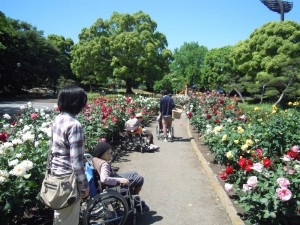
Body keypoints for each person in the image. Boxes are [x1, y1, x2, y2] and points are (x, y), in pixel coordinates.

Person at [50, 85, 90, 225]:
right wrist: (84, 185)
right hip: (68, 179)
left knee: (60, 215)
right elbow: (76, 162)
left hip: (55, 174)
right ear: (76, 103)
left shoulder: (57, 119)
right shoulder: (74, 125)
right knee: (68, 219)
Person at [92, 141, 150, 212]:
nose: (110, 155)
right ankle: (133, 200)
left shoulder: (95, 159)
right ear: (101, 155)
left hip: (112, 176)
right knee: (140, 179)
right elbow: (104, 179)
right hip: (112, 185)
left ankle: (131, 197)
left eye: (110, 153)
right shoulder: (104, 165)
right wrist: (119, 180)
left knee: (134, 173)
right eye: (108, 153)